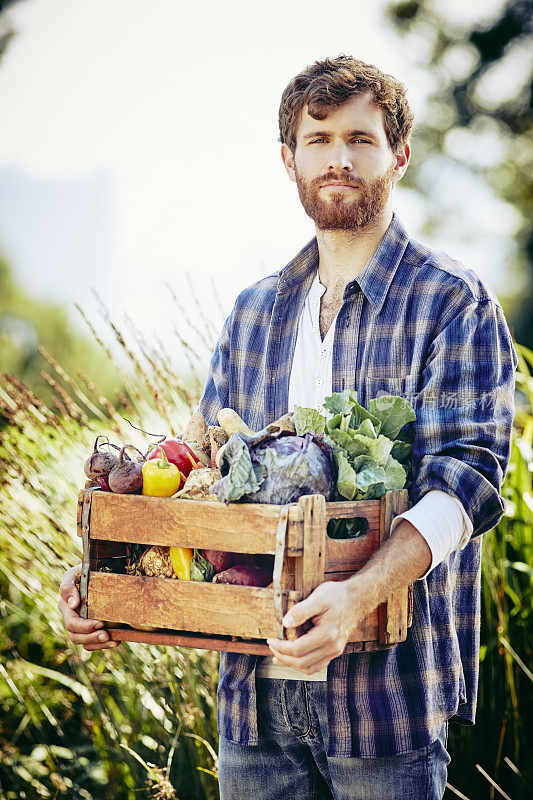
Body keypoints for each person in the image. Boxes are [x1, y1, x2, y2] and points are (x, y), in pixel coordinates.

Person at [58, 56, 517, 799]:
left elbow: (464, 485)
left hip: (383, 702)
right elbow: (197, 477)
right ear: (288, 159)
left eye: (361, 140)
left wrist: (358, 594)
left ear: (398, 156)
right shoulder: (254, 312)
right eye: (318, 138)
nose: (339, 158)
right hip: (253, 706)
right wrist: (105, 576)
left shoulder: (451, 301)